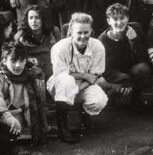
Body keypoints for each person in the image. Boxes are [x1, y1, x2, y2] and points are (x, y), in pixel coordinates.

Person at [47, 12, 109, 142]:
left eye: (86, 32)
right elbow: (61, 74)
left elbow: (94, 76)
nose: (82, 36)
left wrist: (84, 82)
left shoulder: (97, 46)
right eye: (79, 32)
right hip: (60, 86)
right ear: (70, 31)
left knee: (99, 100)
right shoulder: (60, 48)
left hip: (85, 84)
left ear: (91, 31)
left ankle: (83, 112)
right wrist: (84, 75)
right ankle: (62, 126)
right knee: (66, 80)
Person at [98, 3, 152, 109]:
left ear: (127, 18)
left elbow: (142, 57)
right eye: (115, 19)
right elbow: (105, 69)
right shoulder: (103, 39)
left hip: (130, 69)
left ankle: (135, 97)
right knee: (113, 92)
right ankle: (112, 95)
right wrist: (125, 80)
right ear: (109, 21)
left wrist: (133, 40)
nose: (119, 22)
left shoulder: (135, 28)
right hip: (113, 75)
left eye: (122, 18)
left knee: (143, 68)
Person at [15, 4, 59, 83]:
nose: (33, 21)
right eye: (31, 18)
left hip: (49, 68)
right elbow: (17, 55)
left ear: (43, 19)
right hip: (31, 69)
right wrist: (27, 59)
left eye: (37, 18)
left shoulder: (53, 33)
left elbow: (59, 53)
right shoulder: (21, 36)